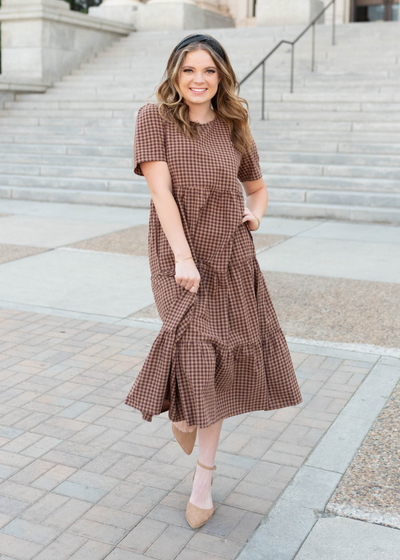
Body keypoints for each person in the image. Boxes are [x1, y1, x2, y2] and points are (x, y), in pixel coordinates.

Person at [125, 33, 303, 530]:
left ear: (221, 75)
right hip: (177, 255)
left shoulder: (234, 124)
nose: (199, 80)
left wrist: (256, 216)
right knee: (198, 348)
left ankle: (203, 479)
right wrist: (183, 258)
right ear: (174, 75)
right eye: (189, 71)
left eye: (209, 70)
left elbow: (258, 188)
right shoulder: (153, 118)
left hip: (231, 257)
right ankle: (181, 415)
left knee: (218, 361)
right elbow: (161, 194)